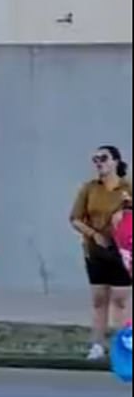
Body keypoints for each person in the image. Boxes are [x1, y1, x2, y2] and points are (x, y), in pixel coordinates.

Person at [69, 145, 133, 360]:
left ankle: (125, 345)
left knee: (121, 300)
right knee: (99, 299)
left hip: (122, 251)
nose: (99, 163)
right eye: (95, 159)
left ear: (115, 161)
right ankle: (97, 344)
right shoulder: (90, 189)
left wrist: (124, 214)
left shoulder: (127, 188)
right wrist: (93, 234)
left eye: (103, 158)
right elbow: (75, 218)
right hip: (95, 251)